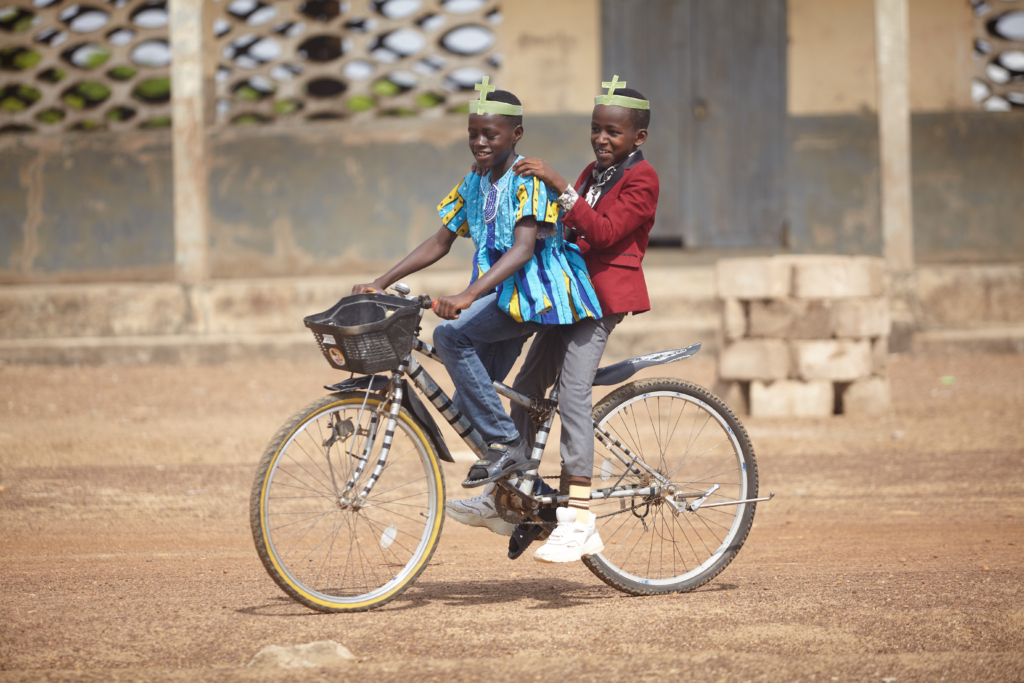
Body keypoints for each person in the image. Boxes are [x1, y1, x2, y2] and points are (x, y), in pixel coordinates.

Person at [445, 77, 659, 563]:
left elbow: (604, 234)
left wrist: (560, 186)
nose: (602, 139)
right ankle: (509, 495)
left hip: (603, 302)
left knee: (573, 392)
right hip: (568, 296)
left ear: (638, 139)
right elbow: (567, 227)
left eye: (613, 133)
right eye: (596, 129)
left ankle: (580, 518)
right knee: (528, 385)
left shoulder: (641, 179)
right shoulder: (594, 172)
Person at [351, 78, 602, 492]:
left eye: (491, 134)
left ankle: (506, 445)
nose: (480, 143)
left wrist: (468, 296)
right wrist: (382, 281)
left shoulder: (528, 182)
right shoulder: (475, 182)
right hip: (502, 296)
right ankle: (527, 492)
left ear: (515, 134)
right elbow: (440, 240)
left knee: (449, 338)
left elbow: (523, 250)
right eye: (473, 134)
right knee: (469, 397)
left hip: (535, 295)